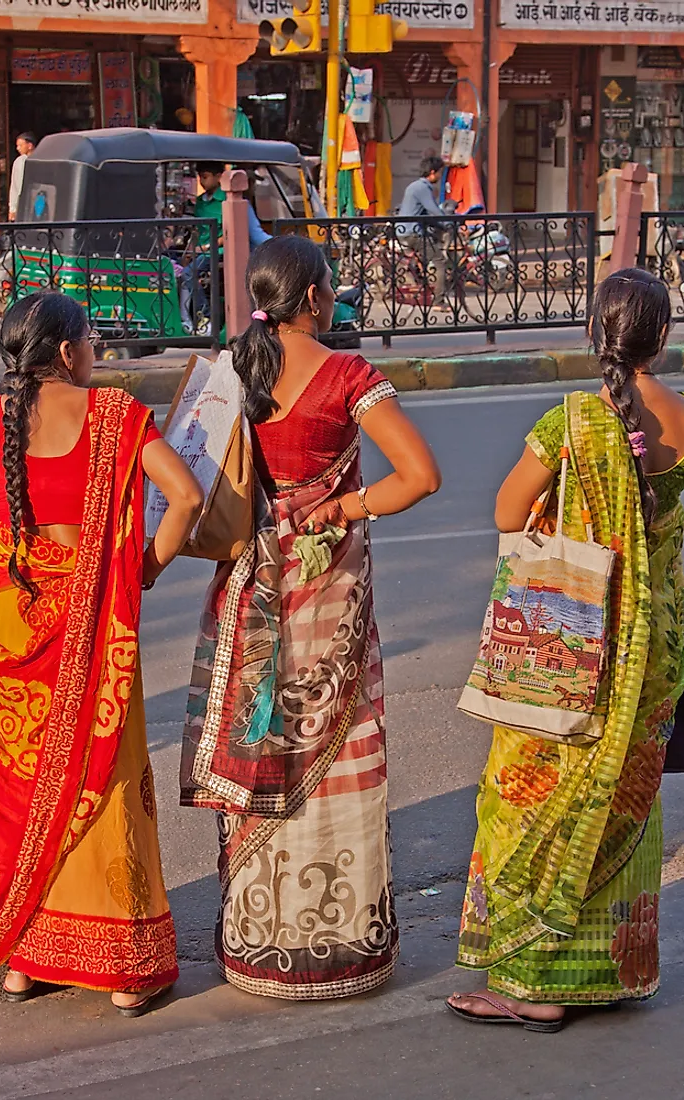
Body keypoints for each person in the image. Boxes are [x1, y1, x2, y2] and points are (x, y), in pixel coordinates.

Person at [0, 292, 203, 1016]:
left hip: (7, 619)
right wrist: (142, 570)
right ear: (69, 352)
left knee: (18, 788)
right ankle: (125, 970)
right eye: (91, 339)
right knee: (100, 778)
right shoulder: (115, 417)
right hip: (91, 616)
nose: (96, 349)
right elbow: (187, 499)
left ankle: (26, 959)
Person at [179, 235, 442, 1000]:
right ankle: (336, 949)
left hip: (249, 589)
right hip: (326, 593)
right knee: (338, 740)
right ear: (317, 299)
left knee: (261, 741)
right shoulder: (348, 375)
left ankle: (255, 941)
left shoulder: (234, 371)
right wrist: (344, 504)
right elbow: (419, 476)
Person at [446, 268, 684, 1031]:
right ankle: (614, 969)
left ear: (596, 336)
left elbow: (504, 508)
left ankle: (530, 983)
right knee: (624, 806)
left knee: (529, 804)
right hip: (650, 652)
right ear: (659, 338)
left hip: (572, 651)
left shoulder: (571, 422)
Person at [180, 163, 270, 332]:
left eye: (205, 177)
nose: (201, 181)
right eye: (200, 177)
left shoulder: (226, 200)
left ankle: (205, 318)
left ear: (219, 177)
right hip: (204, 252)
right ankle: (187, 320)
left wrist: (206, 247)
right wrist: (190, 250)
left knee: (188, 274)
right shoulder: (200, 203)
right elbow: (199, 231)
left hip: (220, 252)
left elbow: (230, 232)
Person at [397, 155, 449, 310]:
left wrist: (442, 225)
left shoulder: (414, 186)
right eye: (440, 173)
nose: (440, 177)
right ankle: (439, 302)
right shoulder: (423, 188)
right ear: (433, 172)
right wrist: (449, 221)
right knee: (440, 261)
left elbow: (424, 214)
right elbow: (434, 210)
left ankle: (423, 282)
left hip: (405, 230)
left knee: (429, 251)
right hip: (412, 233)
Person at [8, 132, 36, 222]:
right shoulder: (19, 162)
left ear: (30, 145)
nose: (18, 148)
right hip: (22, 203)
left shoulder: (40, 159)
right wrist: (12, 208)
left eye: (20, 145)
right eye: (17, 145)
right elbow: (15, 186)